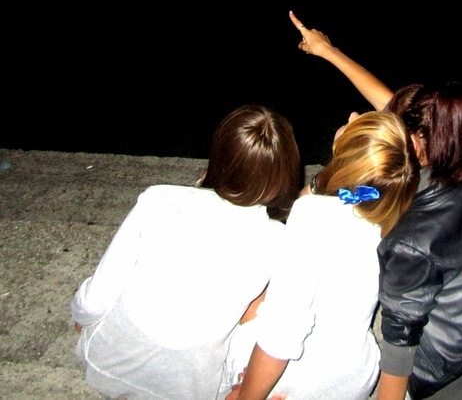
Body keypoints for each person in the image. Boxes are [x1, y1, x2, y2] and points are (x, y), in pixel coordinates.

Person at [290, 10, 462, 400]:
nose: (376, 116)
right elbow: (386, 102)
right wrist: (328, 51)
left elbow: (400, 347)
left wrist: (335, 167)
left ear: (420, 145)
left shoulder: (409, 241)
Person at [70, 105, 301, 400]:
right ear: (284, 176)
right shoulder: (280, 240)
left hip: (108, 366)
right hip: (188, 387)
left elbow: (95, 300)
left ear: (219, 157)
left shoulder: (158, 198)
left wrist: (82, 318)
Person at [222, 110, 420, 400]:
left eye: (355, 124)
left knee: (250, 294)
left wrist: (246, 397)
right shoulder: (394, 213)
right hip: (354, 377)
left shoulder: (311, 214)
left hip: (294, 380)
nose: (352, 115)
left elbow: (282, 332)